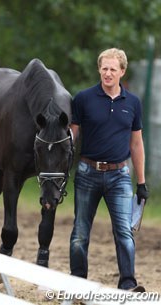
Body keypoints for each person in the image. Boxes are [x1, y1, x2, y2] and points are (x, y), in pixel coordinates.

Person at [69, 48, 149, 292]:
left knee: (124, 233)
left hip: (120, 177)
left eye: (113, 69)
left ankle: (127, 284)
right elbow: (72, 135)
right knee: (80, 233)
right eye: (104, 68)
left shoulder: (133, 103)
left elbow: (136, 143)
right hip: (86, 174)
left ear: (122, 71)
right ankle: (78, 283)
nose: (108, 73)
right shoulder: (83, 99)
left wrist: (142, 183)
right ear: (99, 69)